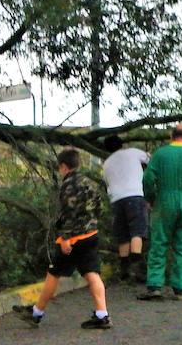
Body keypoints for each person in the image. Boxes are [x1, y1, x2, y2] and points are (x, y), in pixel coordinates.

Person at [13, 148, 111, 329]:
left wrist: (65, 238)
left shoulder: (68, 186)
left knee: (54, 273)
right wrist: (92, 223)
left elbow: (68, 214)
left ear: (64, 166)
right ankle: (102, 314)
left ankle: (36, 313)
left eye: (60, 168)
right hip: (91, 234)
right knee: (92, 273)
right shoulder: (89, 182)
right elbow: (100, 208)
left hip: (73, 238)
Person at [138, 123, 182, 301]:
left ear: (172, 136)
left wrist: (151, 198)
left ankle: (155, 286)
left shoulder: (161, 154)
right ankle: (179, 289)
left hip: (164, 201)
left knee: (159, 243)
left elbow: (147, 178)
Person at [102, 134, 150, 283]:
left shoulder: (107, 163)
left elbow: (107, 182)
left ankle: (124, 270)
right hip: (135, 195)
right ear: (122, 144)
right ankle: (137, 267)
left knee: (122, 233)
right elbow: (151, 160)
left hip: (116, 199)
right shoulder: (134, 152)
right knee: (137, 230)